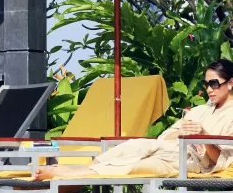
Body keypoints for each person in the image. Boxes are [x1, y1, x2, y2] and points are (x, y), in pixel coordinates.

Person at [35, 60, 233, 180]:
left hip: (189, 163)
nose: (209, 89)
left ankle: (68, 174)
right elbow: (166, 136)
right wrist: (180, 133)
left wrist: (203, 136)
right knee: (131, 146)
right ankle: (76, 170)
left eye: (214, 83)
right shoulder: (201, 110)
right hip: (168, 150)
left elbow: (220, 161)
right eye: (206, 84)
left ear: (230, 83)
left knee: (133, 166)